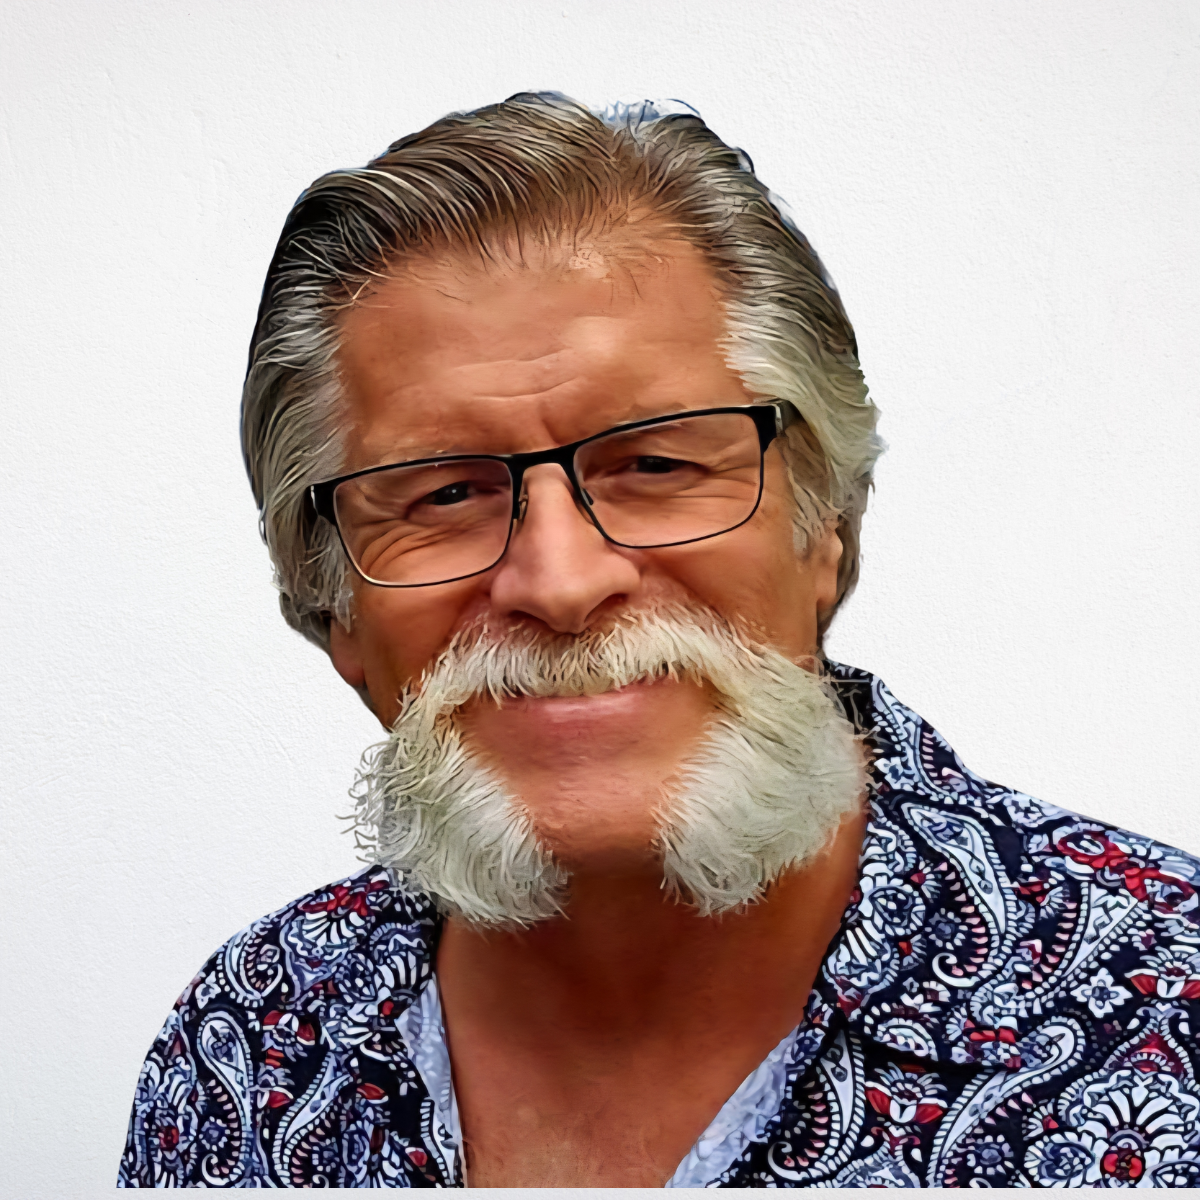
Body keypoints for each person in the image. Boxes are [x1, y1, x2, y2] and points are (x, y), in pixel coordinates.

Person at [118, 93, 1200, 1189]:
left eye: (657, 465)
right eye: (443, 493)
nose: (561, 581)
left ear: (821, 525)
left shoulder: (1169, 1009)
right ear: (336, 609)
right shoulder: (249, 1046)